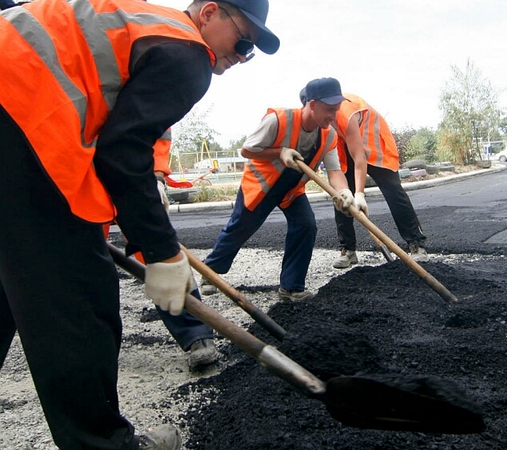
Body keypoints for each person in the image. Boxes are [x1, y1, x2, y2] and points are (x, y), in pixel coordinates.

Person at [0, 0, 279, 448]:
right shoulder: (187, 52)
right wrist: (164, 254)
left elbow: (112, 145)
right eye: (243, 40)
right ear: (209, 13)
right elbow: (123, 153)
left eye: (251, 52)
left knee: (10, 280)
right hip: (19, 113)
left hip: (13, 107)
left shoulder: (146, 26)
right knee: (80, 298)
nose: (242, 56)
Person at [200, 78, 353, 301]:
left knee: (306, 225)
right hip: (263, 184)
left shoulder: (328, 134)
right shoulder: (278, 120)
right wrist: (279, 151)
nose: (333, 116)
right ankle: (210, 272)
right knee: (241, 227)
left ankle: (291, 288)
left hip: (292, 187)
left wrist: (344, 192)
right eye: (329, 109)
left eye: (336, 110)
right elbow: (247, 150)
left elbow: (334, 171)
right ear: (311, 104)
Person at [104, 128, 219, 372]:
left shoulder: (135, 90)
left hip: (130, 173)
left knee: (161, 255)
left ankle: (196, 333)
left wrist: (154, 177)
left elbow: (156, 129)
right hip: (70, 177)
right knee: (83, 264)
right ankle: (92, 347)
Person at [331, 93, 429, 269]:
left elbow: (360, 157)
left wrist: (360, 194)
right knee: (341, 196)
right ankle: (348, 250)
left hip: (375, 145)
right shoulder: (316, 118)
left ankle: (416, 244)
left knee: (393, 191)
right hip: (345, 146)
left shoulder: (345, 112)